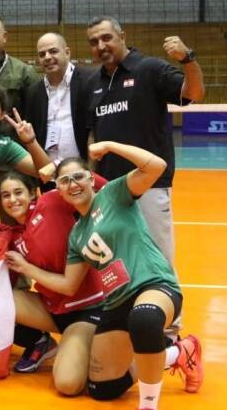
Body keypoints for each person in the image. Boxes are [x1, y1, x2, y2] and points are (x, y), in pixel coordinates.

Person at [16, 142, 203, 410]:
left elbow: (156, 166)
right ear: (58, 191)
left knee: (144, 319)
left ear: (92, 179)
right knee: (102, 389)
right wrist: (27, 269)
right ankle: (179, 353)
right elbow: (68, 285)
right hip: (116, 303)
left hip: (154, 285)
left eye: (78, 177)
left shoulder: (114, 194)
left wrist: (110, 146)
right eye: (64, 181)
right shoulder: (77, 236)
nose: (72, 184)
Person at [86, 15, 204, 271]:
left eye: (106, 38)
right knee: (118, 264)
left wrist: (187, 59)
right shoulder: (94, 83)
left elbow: (193, 93)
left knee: (157, 262)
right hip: (110, 189)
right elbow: (94, 136)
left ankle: (167, 300)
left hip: (149, 185)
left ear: (122, 37)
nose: (101, 46)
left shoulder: (149, 69)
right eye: (94, 42)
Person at [0, 169, 105, 392]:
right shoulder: (14, 236)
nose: (13, 199)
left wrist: (61, 170)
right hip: (52, 311)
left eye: (18, 192)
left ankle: (155, 350)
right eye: (6, 195)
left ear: (32, 193)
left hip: (85, 309)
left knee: (67, 384)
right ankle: (40, 342)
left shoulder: (51, 202)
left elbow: (104, 188)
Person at [24, 32, 95, 168]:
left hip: (84, 170)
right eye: (42, 54)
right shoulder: (34, 91)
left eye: (53, 51)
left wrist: (92, 170)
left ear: (67, 52)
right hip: (48, 173)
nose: (47, 57)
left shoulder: (90, 80)